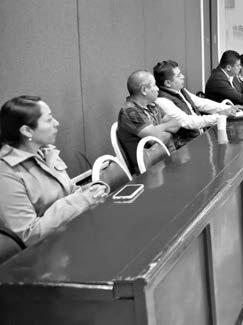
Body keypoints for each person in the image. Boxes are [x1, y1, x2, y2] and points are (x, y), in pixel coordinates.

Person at [0, 96, 108, 246]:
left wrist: (90, 190)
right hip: (45, 253)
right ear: (27, 131)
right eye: (49, 119)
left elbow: (69, 192)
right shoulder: (6, 173)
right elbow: (28, 235)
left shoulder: (45, 153)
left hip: (71, 236)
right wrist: (82, 199)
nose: (56, 123)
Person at [153, 60, 240, 148]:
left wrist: (228, 108)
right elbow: (188, 121)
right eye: (178, 76)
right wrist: (219, 116)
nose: (183, 76)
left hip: (201, 137)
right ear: (168, 83)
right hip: (187, 146)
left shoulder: (180, 90)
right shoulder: (162, 100)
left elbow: (202, 103)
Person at [117, 70, 179, 174]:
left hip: (166, 161)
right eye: (154, 85)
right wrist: (165, 131)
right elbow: (156, 140)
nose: (158, 89)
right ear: (144, 90)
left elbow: (176, 123)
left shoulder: (152, 105)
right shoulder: (130, 112)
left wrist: (157, 129)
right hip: (151, 172)